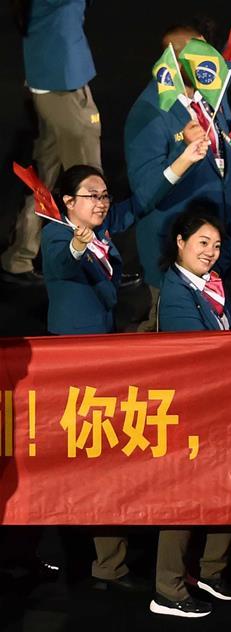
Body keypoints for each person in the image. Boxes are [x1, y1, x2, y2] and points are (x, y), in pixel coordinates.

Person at [150, 206, 231, 618]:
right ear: (180, 243)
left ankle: (209, 570)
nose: (210, 252)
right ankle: (168, 589)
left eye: (217, 245)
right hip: (191, 411)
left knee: (230, 488)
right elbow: (200, 350)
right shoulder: (176, 291)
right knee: (185, 500)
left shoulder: (210, 284)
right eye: (202, 243)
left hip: (221, 406)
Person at [41, 165, 146, 591]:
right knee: (68, 461)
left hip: (101, 360)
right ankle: (58, 554)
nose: (101, 203)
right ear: (68, 202)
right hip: (70, 365)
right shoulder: (57, 234)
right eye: (92, 195)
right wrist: (77, 245)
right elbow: (61, 261)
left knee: (102, 460)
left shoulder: (100, 234)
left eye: (104, 196)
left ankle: (109, 564)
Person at [125, 24, 231, 332]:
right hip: (172, 259)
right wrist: (184, 153)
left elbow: (226, 162)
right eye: (200, 54)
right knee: (168, 343)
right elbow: (145, 193)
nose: (211, 61)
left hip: (211, 250)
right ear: (175, 62)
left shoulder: (208, 98)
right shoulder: (148, 112)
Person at [2, 0, 102, 286]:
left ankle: (19, 255)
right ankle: (96, 264)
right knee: (88, 181)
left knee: (44, 176)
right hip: (61, 87)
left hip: (58, 81)